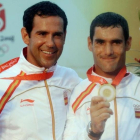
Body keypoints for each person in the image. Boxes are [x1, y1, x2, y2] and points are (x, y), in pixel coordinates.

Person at [0, 1, 81, 140]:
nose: (50, 43)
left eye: (57, 35)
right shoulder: (3, 84)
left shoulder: (71, 79)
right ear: (26, 35)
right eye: (42, 34)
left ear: (65, 36)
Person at [63, 12, 140, 140]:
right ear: (90, 43)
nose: (108, 51)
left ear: (128, 43)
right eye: (100, 42)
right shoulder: (78, 92)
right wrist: (93, 132)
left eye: (116, 42)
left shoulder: (138, 87)